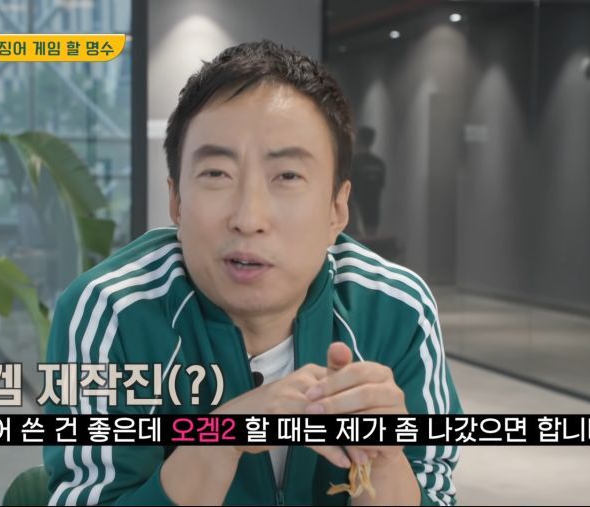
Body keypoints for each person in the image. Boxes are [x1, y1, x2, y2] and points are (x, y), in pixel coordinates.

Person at [44, 40, 461, 506]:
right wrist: (221, 441)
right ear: (176, 201)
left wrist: (382, 460)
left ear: (337, 208)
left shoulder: (395, 310)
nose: (248, 218)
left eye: (287, 176)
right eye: (216, 174)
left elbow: (433, 490)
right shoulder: (113, 314)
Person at [349, 126, 386, 236]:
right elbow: (380, 186)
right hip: (374, 214)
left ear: (358, 140)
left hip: (355, 214)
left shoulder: (352, 163)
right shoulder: (379, 163)